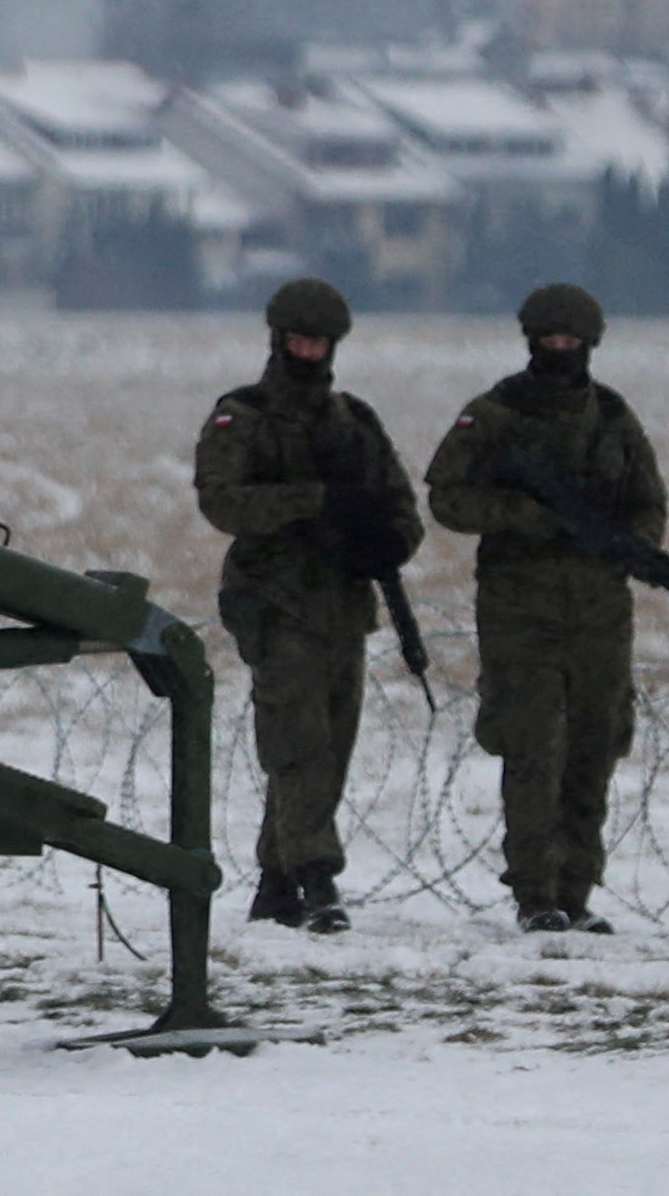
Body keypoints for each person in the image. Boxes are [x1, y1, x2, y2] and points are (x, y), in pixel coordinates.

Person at [425, 281, 667, 933]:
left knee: (593, 748)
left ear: (588, 343)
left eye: (571, 340)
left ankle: (576, 888)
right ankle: (535, 893)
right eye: (549, 339)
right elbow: (446, 494)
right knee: (532, 748)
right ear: (531, 339)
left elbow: (648, 501)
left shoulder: (613, 416)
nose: (560, 349)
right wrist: (526, 517)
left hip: (598, 611)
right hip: (519, 610)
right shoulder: (495, 411)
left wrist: (632, 546)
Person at [189, 275, 420, 929]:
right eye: (297, 339)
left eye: (318, 342)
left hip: (342, 604)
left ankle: (274, 880)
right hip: (274, 600)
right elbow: (222, 501)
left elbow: (400, 507)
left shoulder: (356, 422)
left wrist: (383, 540)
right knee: (298, 744)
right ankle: (316, 877)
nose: (307, 351)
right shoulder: (244, 415)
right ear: (277, 338)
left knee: (330, 744)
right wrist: (309, 502)